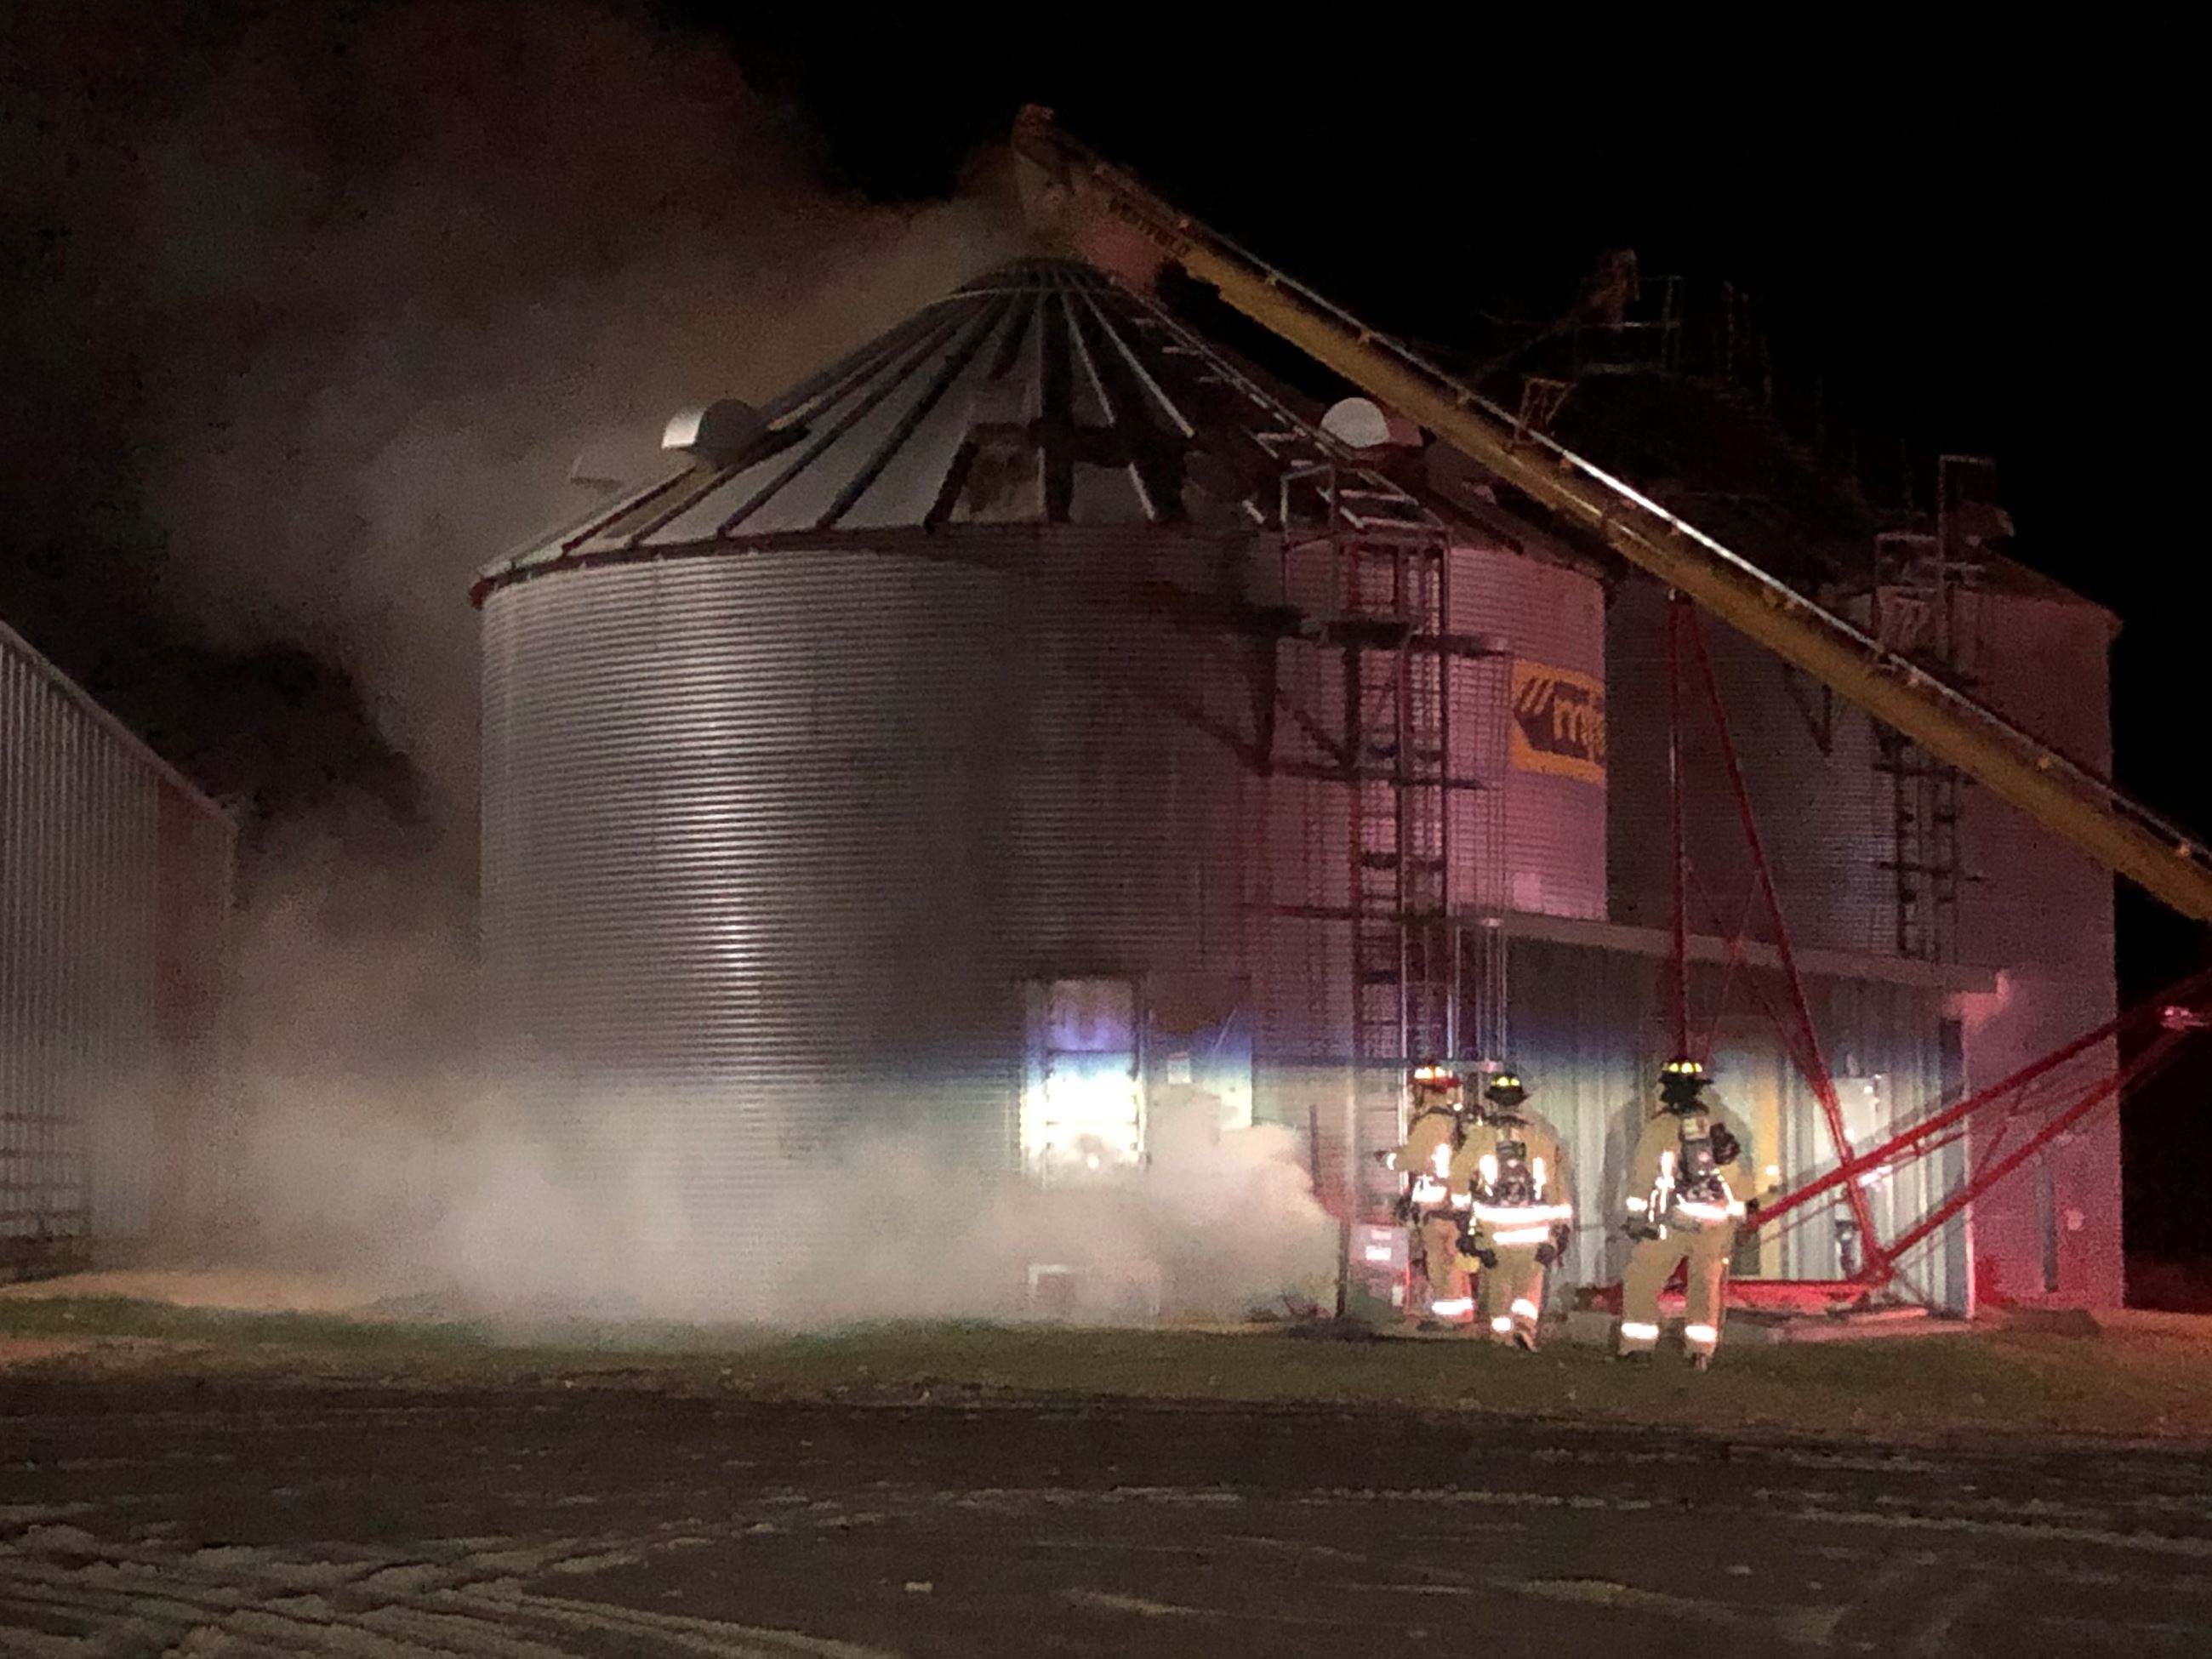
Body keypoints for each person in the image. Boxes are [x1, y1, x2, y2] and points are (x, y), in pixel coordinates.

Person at [1616, 1058, 1747, 1369]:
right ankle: (1701, 1352)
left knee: (1642, 1279)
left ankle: (1638, 1347)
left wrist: (1637, 1217)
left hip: (1672, 1220)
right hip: (1715, 1221)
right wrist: (1738, 1215)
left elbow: (1643, 1174)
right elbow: (1734, 1176)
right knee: (1706, 1285)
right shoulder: (1716, 1125)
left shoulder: (1661, 1126)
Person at [1456, 1067, 1573, 1351]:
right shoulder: (1542, 1138)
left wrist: (1464, 1223)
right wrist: (1560, 1232)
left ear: (1493, 1101)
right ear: (1521, 1102)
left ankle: (1501, 1337)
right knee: (1529, 1286)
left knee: (1499, 1285)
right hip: (1534, 1232)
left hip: (1495, 1232)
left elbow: (1457, 1177)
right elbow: (1557, 1189)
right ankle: (1524, 1330)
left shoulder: (1481, 1137)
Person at [1382, 1063, 1474, 1328]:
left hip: (1438, 1206)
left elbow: (1416, 1159)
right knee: (1453, 1262)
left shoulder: (1431, 1121)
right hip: (1453, 1203)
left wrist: (1388, 1159)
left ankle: (1447, 1320)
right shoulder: (1451, 1119)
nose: (1412, 1093)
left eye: (1416, 1088)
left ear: (1424, 1090)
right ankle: (1460, 1317)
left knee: (1440, 1263)